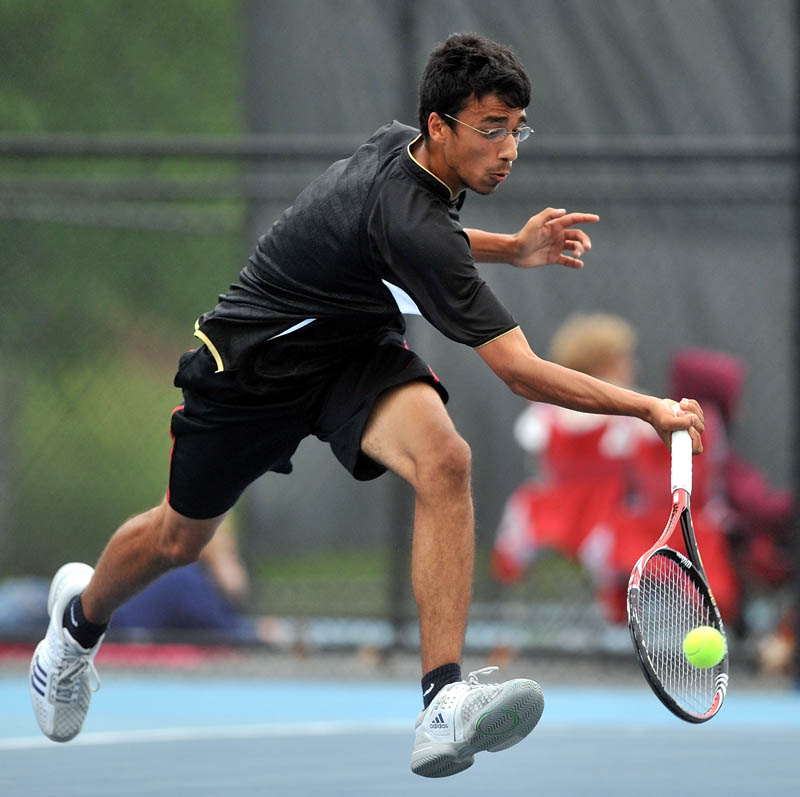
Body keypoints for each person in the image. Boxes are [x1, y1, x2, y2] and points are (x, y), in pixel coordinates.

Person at [29, 33, 704, 778]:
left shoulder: (405, 156)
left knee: (445, 459)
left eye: (517, 129)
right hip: (254, 369)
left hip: (353, 353)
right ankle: (76, 623)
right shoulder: (410, 217)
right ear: (439, 126)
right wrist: (650, 408)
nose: (509, 149)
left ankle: (442, 702)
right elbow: (520, 370)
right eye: (491, 130)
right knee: (176, 540)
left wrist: (510, 249)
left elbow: (429, 239)